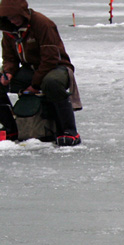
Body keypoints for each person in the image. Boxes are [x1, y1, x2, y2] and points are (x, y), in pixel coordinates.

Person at [0, 0, 82, 145]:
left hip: (56, 67)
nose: (12, 20)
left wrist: (34, 85)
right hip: (30, 70)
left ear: (23, 13)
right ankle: (11, 128)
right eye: (8, 18)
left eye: (14, 16)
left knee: (51, 82)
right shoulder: (9, 30)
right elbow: (9, 58)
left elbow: (50, 59)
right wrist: (8, 72)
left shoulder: (43, 24)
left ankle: (69, 130)